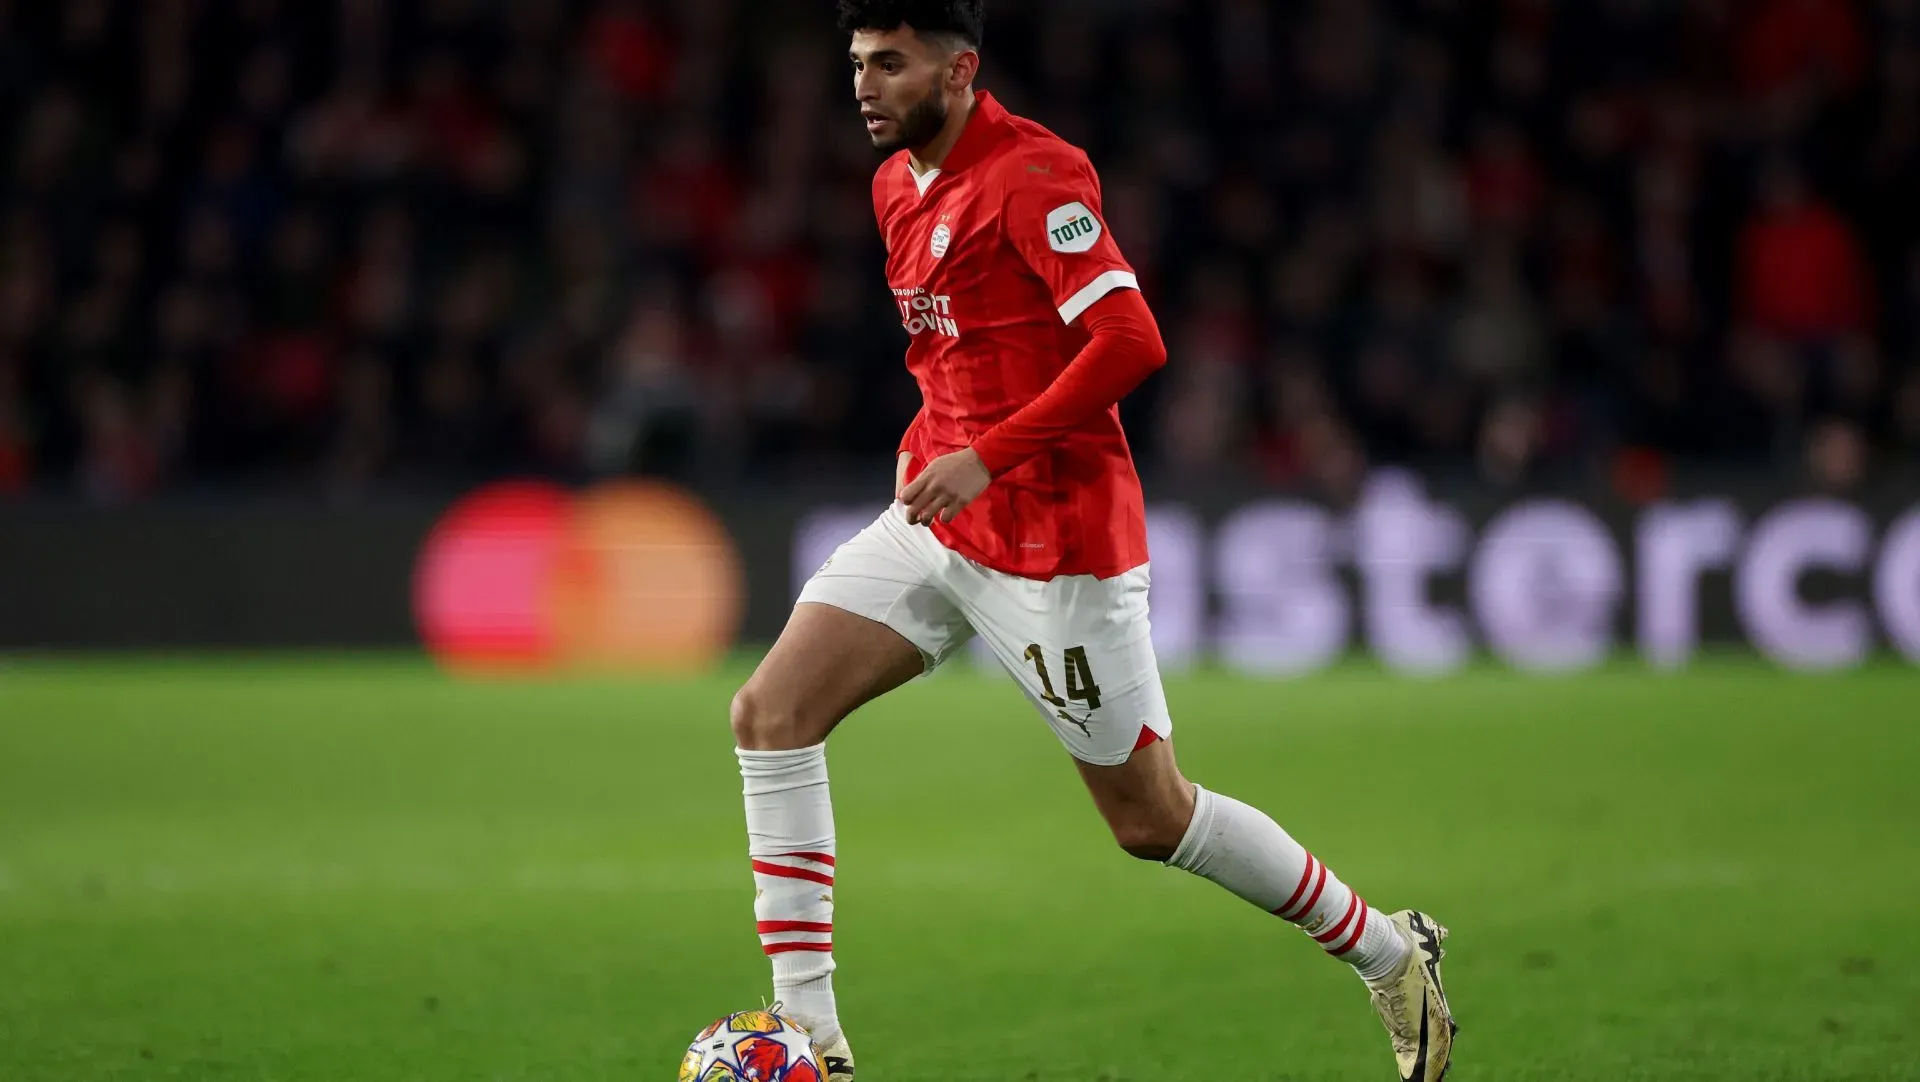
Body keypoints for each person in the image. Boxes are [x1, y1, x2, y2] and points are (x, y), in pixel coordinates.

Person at [730, 3, 1458, 1078]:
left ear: (961, 68)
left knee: (1150, 819)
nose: (864, 86)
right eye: (855, 64)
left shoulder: (1037, 175)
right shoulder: (894, 186)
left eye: (891, 63)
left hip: (1056, 549)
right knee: (770, 711)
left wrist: (989, 453)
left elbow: (1131, 340)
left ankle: (1389, 952)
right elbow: (956, 357)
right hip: (936, 524)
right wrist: (936, 447)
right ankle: (815, 1041)